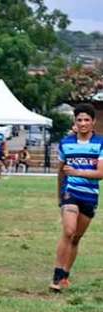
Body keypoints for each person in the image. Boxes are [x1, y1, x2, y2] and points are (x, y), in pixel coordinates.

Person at [50, 103, 103, 292]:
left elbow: (100, 173)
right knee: (69, 230)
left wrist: (78, 171)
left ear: (93, 122)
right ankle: (56, 276)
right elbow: (61, 172)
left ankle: (65, 274)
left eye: (86, 120)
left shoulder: (100, 143)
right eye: (79, 120)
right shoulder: (66, 143)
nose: (82, 123)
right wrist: (59, 196)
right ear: (75, 122)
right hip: (70, 193)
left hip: (90, 196)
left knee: (76, 238)